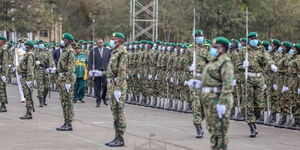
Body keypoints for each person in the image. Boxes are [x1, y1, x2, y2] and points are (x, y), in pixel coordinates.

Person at [239, 32, 277, 138]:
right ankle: (252, 126)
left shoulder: (261, 50)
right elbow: (237, 66)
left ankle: (254, 120)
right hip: (248, 79)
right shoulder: (243, 51)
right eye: (251, 38)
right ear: (248, 40)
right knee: (248, 104)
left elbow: (267, 59)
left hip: (259, 78)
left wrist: (272, 65)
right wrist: (243, 66)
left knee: (259, 105)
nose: (254, 40)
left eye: (255, 38)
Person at [201, 37, 234, 150]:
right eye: (213, 47)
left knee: (220, 131)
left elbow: (227, 85)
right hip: (210, 100)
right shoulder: (214, 61)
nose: (213, 49)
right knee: (212, 129)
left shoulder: (225, 62)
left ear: (223, 49)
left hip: (219, 99)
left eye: (216, 47)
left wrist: (222, 103)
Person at [105, 32, 129, 147]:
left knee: (119, 111)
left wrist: (118, 88)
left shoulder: (122, 52)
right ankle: (116, 136)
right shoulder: (114, 52)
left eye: (113, 38)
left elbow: (122, 71)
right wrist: (101, 73)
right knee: (114, 111)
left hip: (118, 85)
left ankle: (120, 137)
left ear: (119, 40)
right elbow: (111, 70)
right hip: (112, 85)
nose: (111, 40)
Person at [56, 33, 76, 131]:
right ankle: (65, 121)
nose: (62, 40)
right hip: (62, 79)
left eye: (64, 39)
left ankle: (69, 123)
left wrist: (68, 81)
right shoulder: (64, 51)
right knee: (63, 101)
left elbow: (71, 67)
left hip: (67, 79)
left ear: (68, 40)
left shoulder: (70, 51)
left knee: (68, 101)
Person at [88, 39, 111, 107]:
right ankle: (98, 100)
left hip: (105, 71)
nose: (100, 44)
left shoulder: (107, 50)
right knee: (97, 86)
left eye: (101, 43)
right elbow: (90, 61)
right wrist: (90, 70)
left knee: (105, 85)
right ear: (96, 44)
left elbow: (110, 60)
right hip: (96, 71)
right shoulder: (93, 50)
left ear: (103, 43)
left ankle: (104, 97)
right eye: (98, 43)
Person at [34, 40, 55, 107]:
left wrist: (52, 67)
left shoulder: (47, 52)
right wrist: (35, 63)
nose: (41, 45)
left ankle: (44, 98)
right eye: (40, 44)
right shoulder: (35, 52)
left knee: (47, 86)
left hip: (46, 70)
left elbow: (51, 60)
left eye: (42, 44)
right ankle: (41, 101)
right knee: (40, 86)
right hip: (38, 70)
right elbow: (31, 61)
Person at [18, 40, 35, 119]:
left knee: (28, 95)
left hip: (27, 77)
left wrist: (29, 79)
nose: (25, 46)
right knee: (26, 95)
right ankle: (28, 112)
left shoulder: (30, 54)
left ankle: (29, 113)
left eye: (26, 45)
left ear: (30, 46)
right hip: (24, 77)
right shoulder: (27, 54)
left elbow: (30, 67)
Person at [0, 36, 9, 112]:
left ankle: (3, 106)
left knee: (1, 89)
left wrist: (4, 74)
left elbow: (5, 63)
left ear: (3, 41)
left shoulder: (4, 50)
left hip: (1, 72)